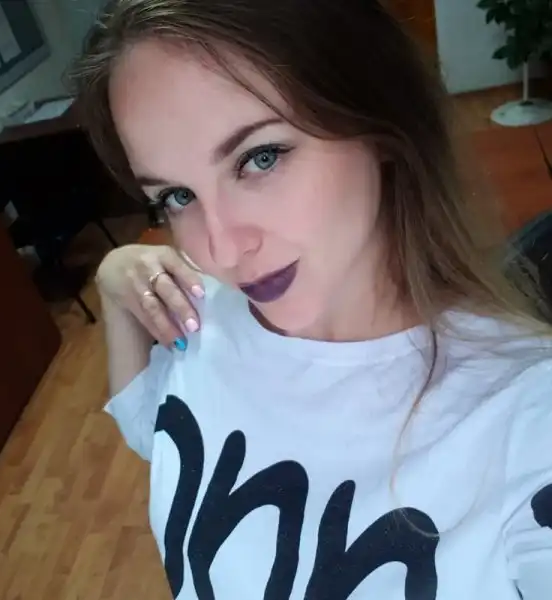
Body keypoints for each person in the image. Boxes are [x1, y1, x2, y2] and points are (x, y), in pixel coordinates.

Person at [72, 0, 552, 597]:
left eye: (260, 158)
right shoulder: (206, 317)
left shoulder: (528, 420)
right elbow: (155, 431)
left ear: (378, 120)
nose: (223, 249)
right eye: (176, 196)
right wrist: (115, 283)